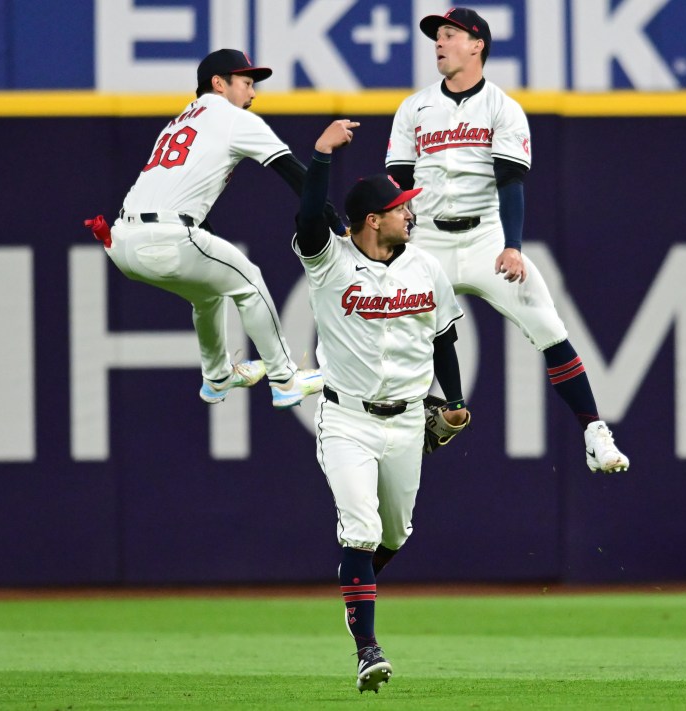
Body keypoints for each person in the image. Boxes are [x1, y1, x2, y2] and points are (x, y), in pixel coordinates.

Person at [386, 8, 630, 472]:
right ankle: (416, 408)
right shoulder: (413, 108)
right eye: (437, 36)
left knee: (549, 327)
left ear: (477, 44)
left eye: (450, 34)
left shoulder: (502, 107)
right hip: (428, 240)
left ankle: (595, 434)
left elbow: (510, 184)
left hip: (486, 239)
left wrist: (513, 246)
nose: (439, 43)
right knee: (387, 324)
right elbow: (397, 182)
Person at [294, 119, 469, 693]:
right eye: (400, 208)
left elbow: (443, 338)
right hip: (346, 418)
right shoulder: (331, 263)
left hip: (408, 422)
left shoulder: (426, 267)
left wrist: (456, 401)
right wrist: (320, 156)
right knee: (362, 530)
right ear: (373, 220)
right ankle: (367, 646)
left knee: (395, 534)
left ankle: (354, 588)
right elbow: (308, 216)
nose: (410, 214)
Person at [93, 49, 334, 409]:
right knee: (250, 281)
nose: (253, 93)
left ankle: (217, 377)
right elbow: (296, 174)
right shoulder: (232, 118)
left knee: (207, 294)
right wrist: (336, 221)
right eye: (247, 83)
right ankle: (285, 380)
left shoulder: (181, 120)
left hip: (122, 242)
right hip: (165, 238)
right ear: (219, 84)